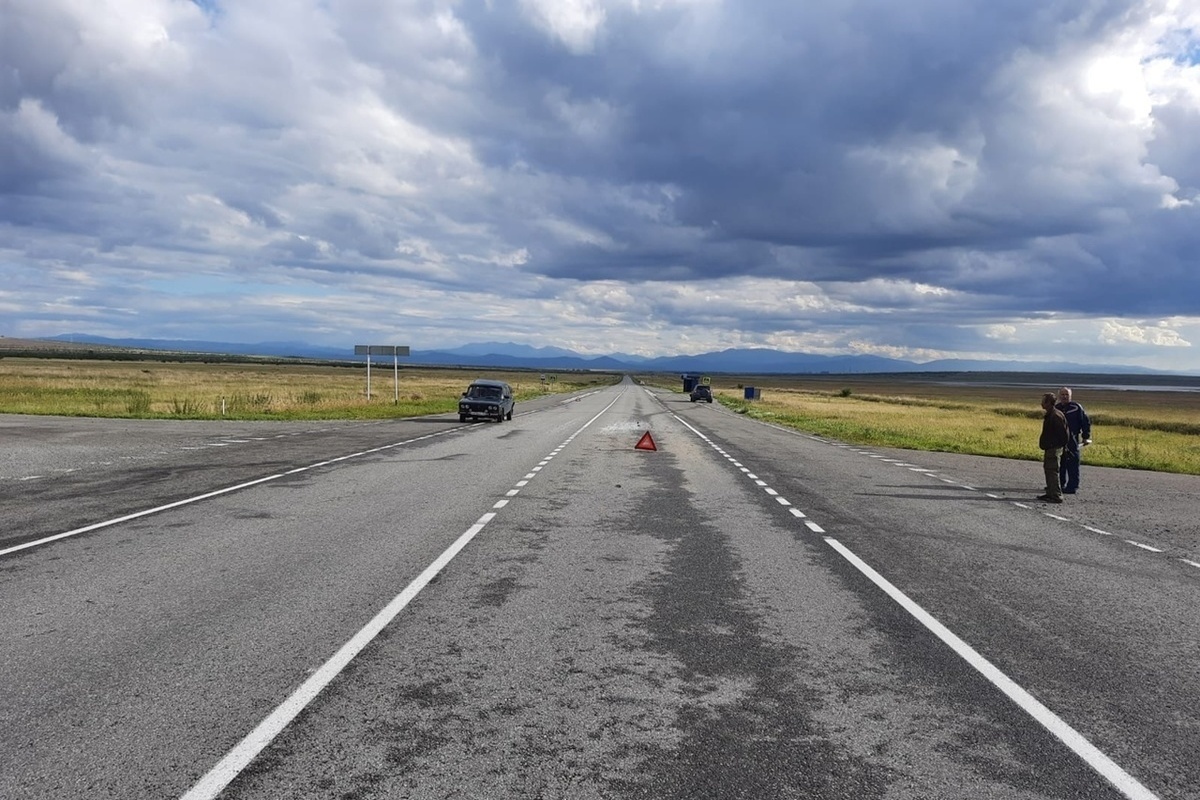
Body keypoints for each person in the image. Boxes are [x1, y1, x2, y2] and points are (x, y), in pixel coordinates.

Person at [1055, 387, 1093, 494]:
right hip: (1059, 440)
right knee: (1060, 463)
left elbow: (1085, 422)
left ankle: (1072, 486)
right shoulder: (1056, 408)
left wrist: (1086, 436)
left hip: (1072, 439)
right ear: (1059, 396)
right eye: (1062, 394)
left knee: (1073, 463)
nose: (1064, 396)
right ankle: (1059, 484)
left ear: (1070, 396)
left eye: (1067, 394)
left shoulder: (1076, 407)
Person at [1038, 392, 1070, 503]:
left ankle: (1056, 495)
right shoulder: (1051, 414)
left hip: (1054, 448)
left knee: (1052, 471)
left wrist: (1057, 446)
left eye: (1043, 401)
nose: (1041, 403)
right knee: (1049, 470)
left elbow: (1064, 435)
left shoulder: (1055, 416)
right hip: (1050, 447)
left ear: (1049, 403)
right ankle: (1050, 493)